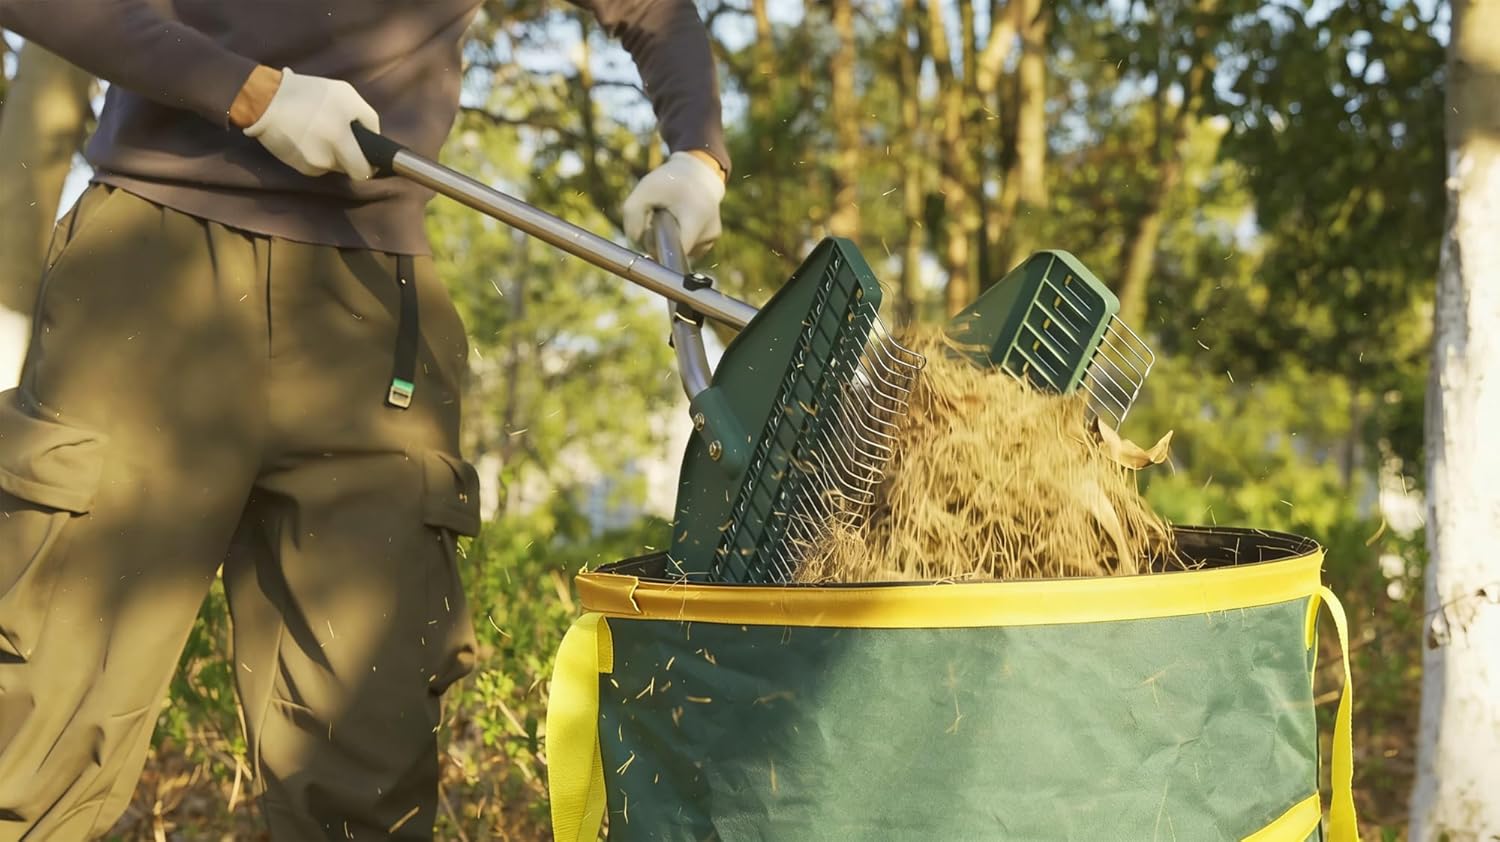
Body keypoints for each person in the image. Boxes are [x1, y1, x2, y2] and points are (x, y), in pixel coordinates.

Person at [0, 1, 730, 839]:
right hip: (151, 276)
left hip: (375, 310)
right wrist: (249, 93)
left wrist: (698, 154)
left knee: (367, 765)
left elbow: (650, 9)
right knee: (39, 737)